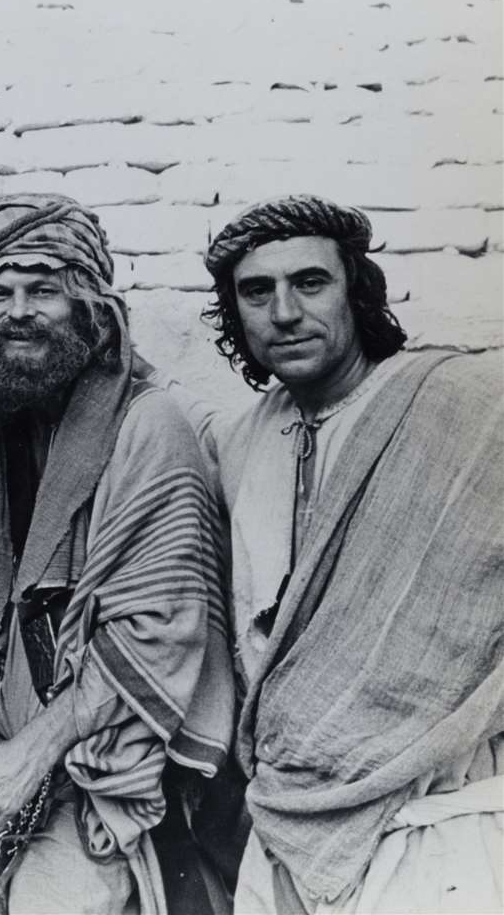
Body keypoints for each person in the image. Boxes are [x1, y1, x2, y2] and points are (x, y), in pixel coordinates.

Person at [0, 195, 235, 914]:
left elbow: (160, 630)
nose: (17, 311)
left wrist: (28, 754)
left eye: (43, 291)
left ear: (91, 311)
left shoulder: (147, 423)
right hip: (11, 757)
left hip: (110, 758)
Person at [204, 196, 503, 914]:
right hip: (286, 816)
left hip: (445, 808)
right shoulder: (237, 444)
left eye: (309, 283)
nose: (282, 312)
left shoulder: (460, 404)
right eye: (256, 291)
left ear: (356, 291)